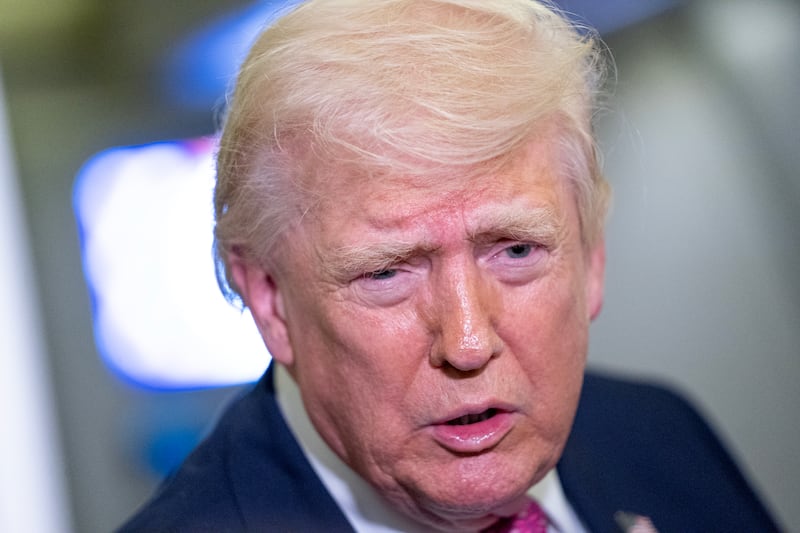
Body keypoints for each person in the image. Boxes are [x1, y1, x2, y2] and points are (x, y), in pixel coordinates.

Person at [119, 0, 779, 531]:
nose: (467, 341)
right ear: (269, 297)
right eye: (388, 272)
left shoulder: (660, 434)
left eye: (515, 250)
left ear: (592, 254)